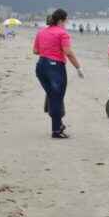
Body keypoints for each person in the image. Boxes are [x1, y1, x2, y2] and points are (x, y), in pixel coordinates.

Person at [33, 9, 84, 139]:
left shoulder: (41, 32)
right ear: (61, 20)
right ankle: (56, 130)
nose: (68, 21)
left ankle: (59, 124)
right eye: (67, 19)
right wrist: (78, 67)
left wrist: (48, 51)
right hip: (55, 68)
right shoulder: (62, 33)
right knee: (57, 97)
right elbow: (68, 52)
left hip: (40, 66)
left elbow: (35, 50)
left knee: (52, 96)